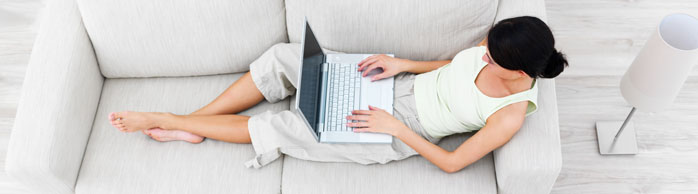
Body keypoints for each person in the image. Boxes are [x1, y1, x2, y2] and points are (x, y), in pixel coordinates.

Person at [107, 16, 568, 172]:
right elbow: (454, 65)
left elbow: (451, 163)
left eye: (491, 58)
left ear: (521, 71)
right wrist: (404, 64)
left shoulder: (510, 114)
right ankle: (191, 123)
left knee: (286, 126)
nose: (481, 56)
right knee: (286, 58)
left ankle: (170, 120)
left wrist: (392, 126)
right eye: (485, 49)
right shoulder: (496, 49)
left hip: (399, 132)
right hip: (396, 85)